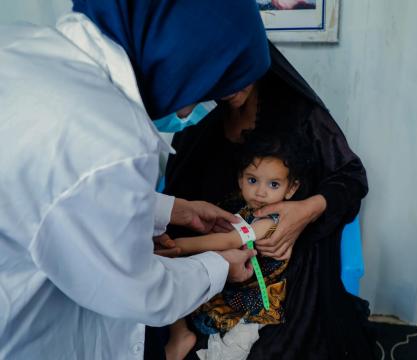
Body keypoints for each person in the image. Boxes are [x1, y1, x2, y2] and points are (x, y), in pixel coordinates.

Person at [0, 1, 271, 359]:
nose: (194, 110)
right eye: (205, 90)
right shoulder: (110, 136)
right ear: (184, 59)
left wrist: (175, 210)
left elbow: (46, 189)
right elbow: (142, 292)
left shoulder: (20, 43)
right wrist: (219, 267)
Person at [163, 42, 376, 359]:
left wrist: (305, 210)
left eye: (238, 72)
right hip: (220, 256)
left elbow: (352, 177)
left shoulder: (301, 115)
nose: (228, 87)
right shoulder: (201, 126)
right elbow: (177, 202)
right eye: (217, 77)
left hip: (287, 266)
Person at [163, 131, 307, 359]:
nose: (260, 192)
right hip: (234, 277)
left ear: (291, 189)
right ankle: (180, 334)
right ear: (240, 179)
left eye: (273, 184)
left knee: (236, 345)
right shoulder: (243, 207)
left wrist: (180, 246)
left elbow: (229, 240)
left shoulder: (270, 220)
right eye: (252, 180)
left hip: (253, 293)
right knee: (173, 281)